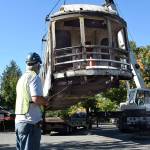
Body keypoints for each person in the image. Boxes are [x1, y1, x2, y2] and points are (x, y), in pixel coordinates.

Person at [15, 52, 49, 150]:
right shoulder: (34, 77)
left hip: (19, 123)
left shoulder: (21, 79)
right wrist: (46, 101)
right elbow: (36, 98)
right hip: (30, 123)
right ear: (37, 64)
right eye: (40, 65)